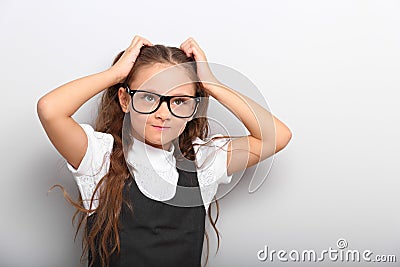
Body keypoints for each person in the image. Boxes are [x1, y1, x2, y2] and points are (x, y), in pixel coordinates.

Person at [37, 35, 292, 267]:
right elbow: (50, 109)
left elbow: (277, 136)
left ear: (193, 108)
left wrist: (211, 84)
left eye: (179, 101)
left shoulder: (203, 162)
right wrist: (115, 74)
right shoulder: (99, 157)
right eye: (149, 97)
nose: (162, 113)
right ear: (125, 100)